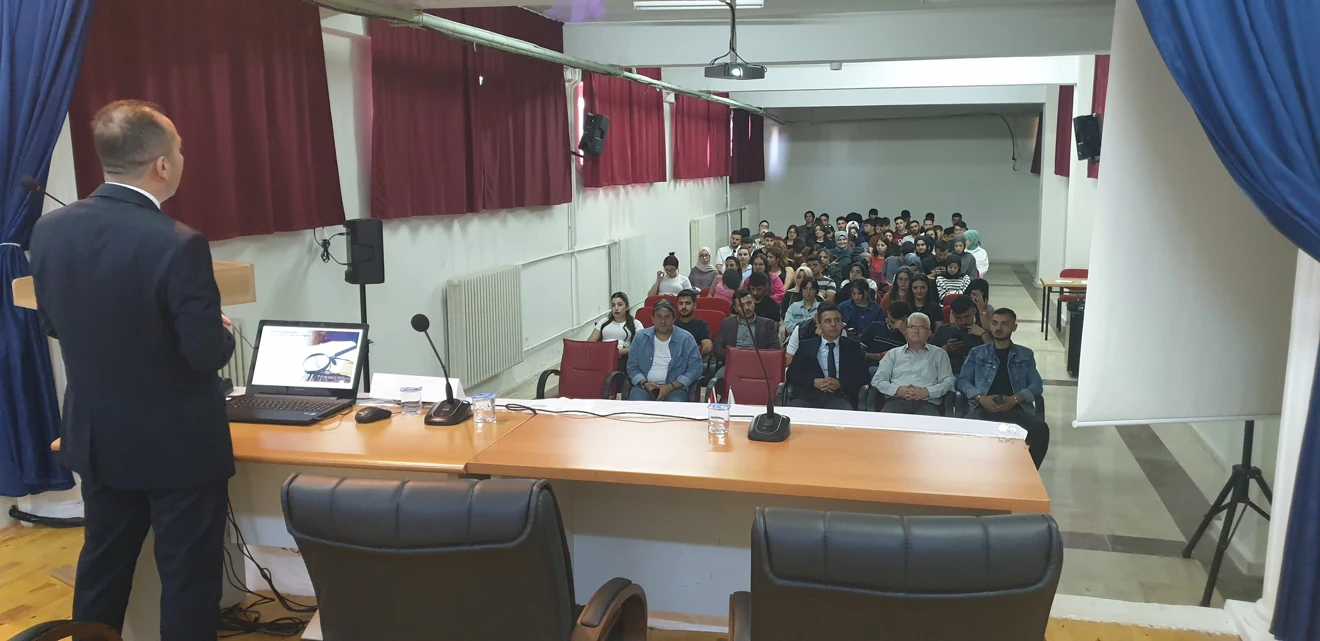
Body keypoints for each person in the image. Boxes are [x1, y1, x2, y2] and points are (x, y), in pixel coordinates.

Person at [28, 100, 234, 640]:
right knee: (187, 579)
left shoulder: (48, 231)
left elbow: (53, 322)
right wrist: (223, 332)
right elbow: (203, 355)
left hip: (97, 438)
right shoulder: (179, 243)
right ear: (162, 165)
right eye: (180, 150)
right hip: (179, 448)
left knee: (102, 564)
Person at [957, 308, 1049, 468]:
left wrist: (1015, 399)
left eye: (1005, 324)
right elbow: (962, 381)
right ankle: (972, 473)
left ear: (1014, 327)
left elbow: (1036, 385)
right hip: (983, 408)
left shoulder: (1025, 354)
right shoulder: (977, 353)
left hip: (1016, 409)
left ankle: (1027, 473)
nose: (998, 328)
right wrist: (980, 397)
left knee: (1041, 430)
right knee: (961, 432)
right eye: (994, 323)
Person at [784, 302, 869, 410]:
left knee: (844, 412)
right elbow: (792, 374)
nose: (833, 324)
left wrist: (840, 383)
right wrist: (813, 382)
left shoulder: (853, 347)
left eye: (837, 320)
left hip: (840, 396)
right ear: (819, 326)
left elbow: (864, 376)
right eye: (828, 321)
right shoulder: (806, 346)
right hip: (808, 396)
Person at [870, 312, 956, 415]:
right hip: (896, 401)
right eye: (912, 327)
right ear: (906, 331)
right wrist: (897, 390)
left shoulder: (939, 354)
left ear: (929, 332)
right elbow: (878, 380)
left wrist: (927, 392)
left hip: (927, 403)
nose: (916, 331)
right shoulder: (893, 354)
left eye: (921, 327)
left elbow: (948, 382)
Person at [626, 299, 702, 402]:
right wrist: (645, 383)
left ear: (674, 319)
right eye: (659, 316)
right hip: (645, 386)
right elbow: (632, 367)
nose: (663, 321)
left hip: (675, 387)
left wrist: (671, 386)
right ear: (652, 318)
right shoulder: (640, 338)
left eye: (667, 316)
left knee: (676, 405)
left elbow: (695, 369)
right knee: (635, 405)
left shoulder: (686, 339)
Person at [714, 289, 780, 366]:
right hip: (733, 363)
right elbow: (718, 346)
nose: (746, 308)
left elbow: (774, 347)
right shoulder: (727, 323)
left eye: (749, 303)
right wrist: (730, 358)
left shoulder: (767, 324)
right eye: (741, 305)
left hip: (758, 364)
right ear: (735, 309)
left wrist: (758, 359)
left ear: (754, 303)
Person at [930, 295, 990, 374]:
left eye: (967, 316)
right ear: (953, 314)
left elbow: (994, 356)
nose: (963, 322)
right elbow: (928, 356)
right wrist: (945, 349)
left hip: (976, 374)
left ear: (974, 311)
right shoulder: (942, 330)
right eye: (958, 318)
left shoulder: (983, 332)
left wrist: (984, 335)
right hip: (947, 374)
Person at [588, 292, 639, 370]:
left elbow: (640, 346)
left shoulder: (635, 324)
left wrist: (624, 351)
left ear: (627, 307)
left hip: (624, 358)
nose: (616, 308)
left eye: (620, 305)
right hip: (603, 355)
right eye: (613, 305)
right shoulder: (603, 322)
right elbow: (590, 343)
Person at [861, 300, 911, 375]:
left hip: (898, 371)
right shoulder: (875, 327)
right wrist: (878, 356)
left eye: (900, 323)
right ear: (888, 314)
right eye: (892, 322)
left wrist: (905, 333)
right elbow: (859, 351)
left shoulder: (910, 336)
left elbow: (915, 354)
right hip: (874, 367)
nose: (895, 327)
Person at [674, 289, 714, 358]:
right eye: (680, 303)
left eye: (687, 303)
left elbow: (708, 347)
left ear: (694, 305)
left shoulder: (701, 325)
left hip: (694, 359)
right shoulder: (671, 324)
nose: (683, 307)